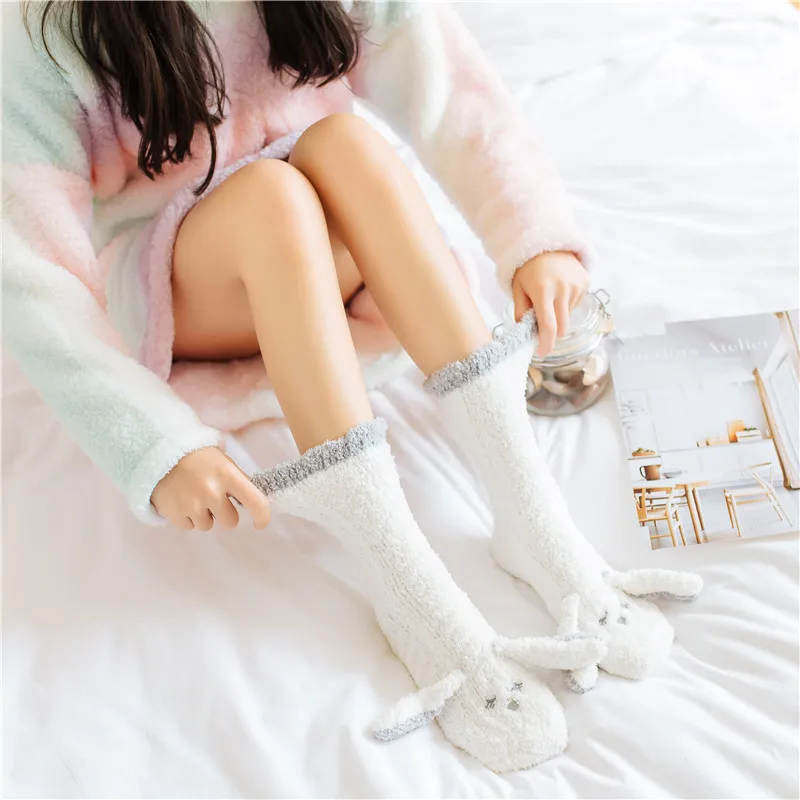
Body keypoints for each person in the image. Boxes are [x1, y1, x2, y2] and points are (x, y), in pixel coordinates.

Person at [3, 0, 700, 772]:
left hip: (324, 233)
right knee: (270, 199)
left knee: (348, 142)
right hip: (184, 283)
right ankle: (408, 590)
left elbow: (452, 92)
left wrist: (534, 238)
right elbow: (31, 272)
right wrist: (150, 444)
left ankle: (535, 525)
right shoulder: (43, 30)